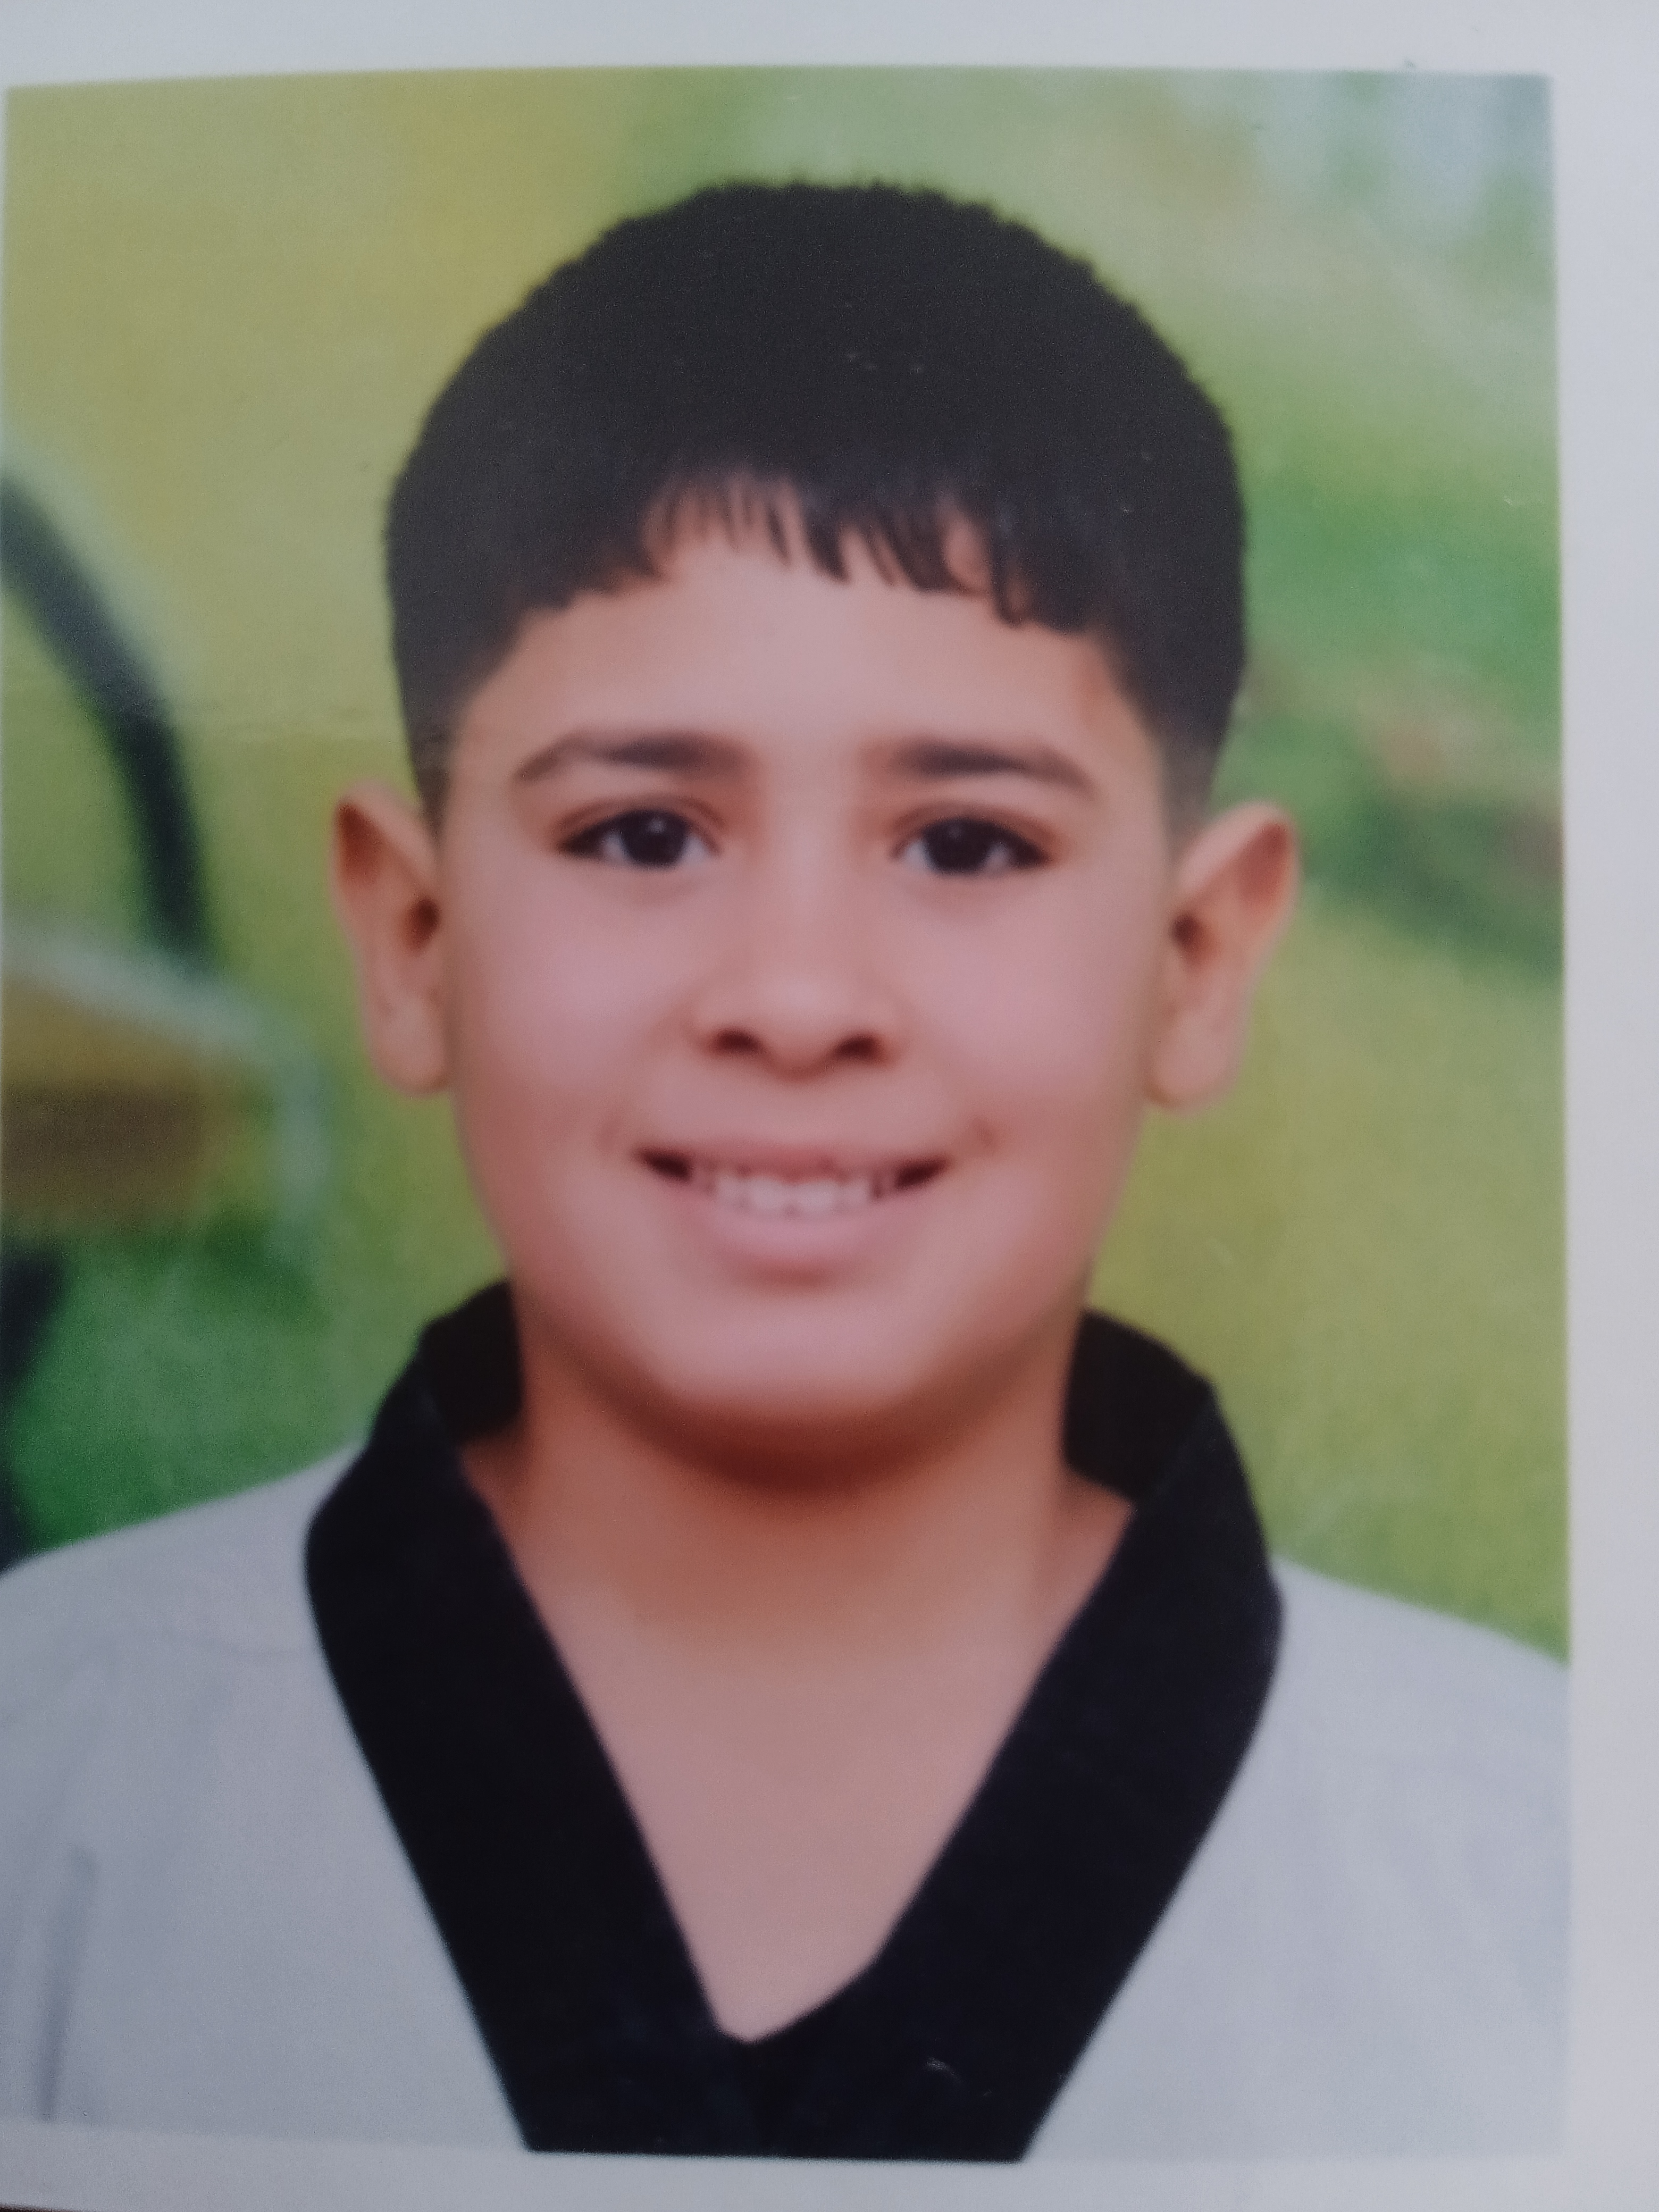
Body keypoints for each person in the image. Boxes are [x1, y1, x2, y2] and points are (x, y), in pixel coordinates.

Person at [0, 181, 1564, 2161]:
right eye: (644, 835)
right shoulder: (49, 1786)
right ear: (412, 937)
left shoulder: (1554, 1876)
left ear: (1196, 958)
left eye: (969, 845)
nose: (799, 998)